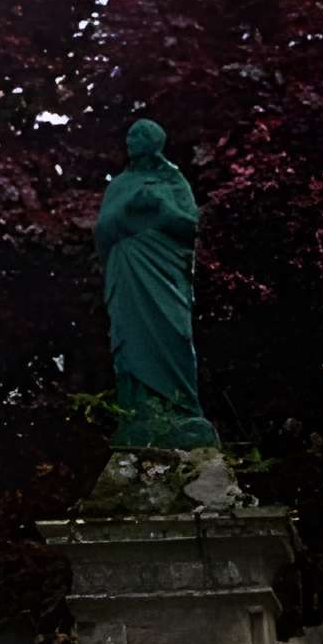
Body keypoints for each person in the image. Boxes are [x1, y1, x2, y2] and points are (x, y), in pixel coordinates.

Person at [95, 119, 218, 449]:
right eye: (130, 134)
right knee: (131, 337)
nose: (132, 140)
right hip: (129, 266)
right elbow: (103, 229)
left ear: (155, 141)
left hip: (166, 269)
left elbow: (190, 225)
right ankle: (139, 414)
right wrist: (130, 205)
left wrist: (160, 206)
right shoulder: (120, 184)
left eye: (140, 135)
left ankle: (181, 410)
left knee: (175, 332)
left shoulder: (173, 180)